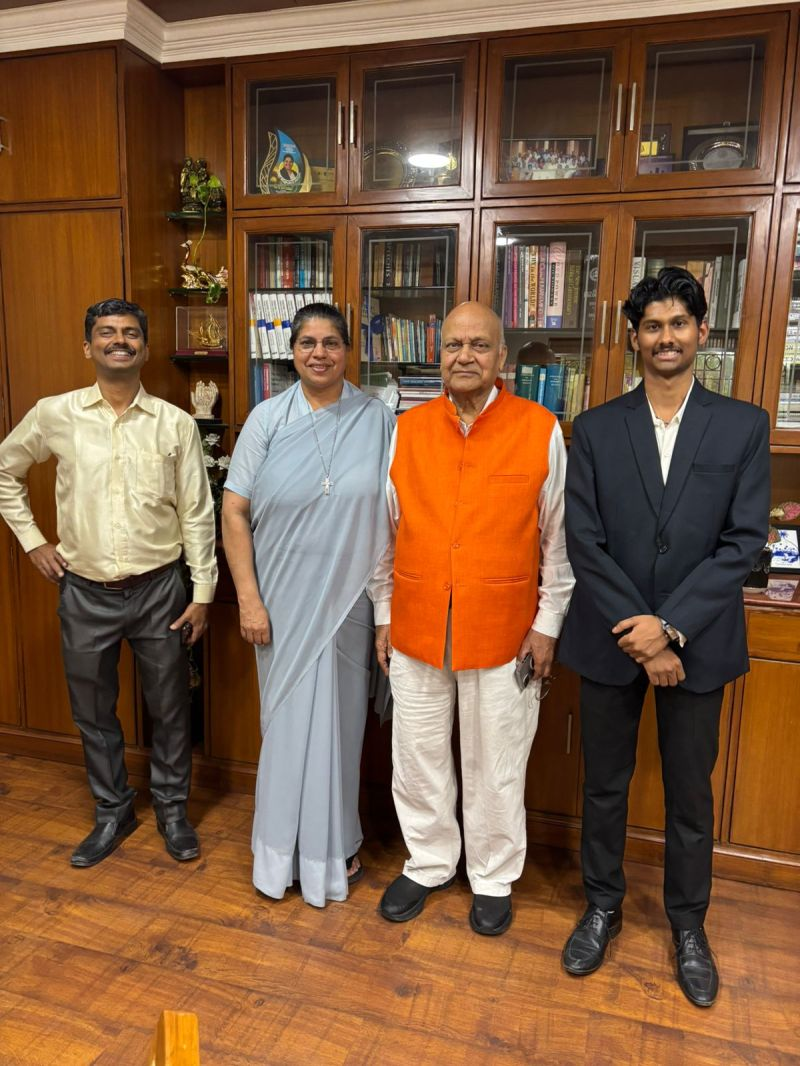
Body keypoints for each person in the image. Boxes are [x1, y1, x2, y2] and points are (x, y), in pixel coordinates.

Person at [559, 266, 771, 1007]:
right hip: (610, 642)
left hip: (699, 643)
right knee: (605, 788)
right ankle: (602, 906)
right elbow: (584, 541)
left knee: (688, 796)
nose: (666, 337)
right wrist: (642, 636)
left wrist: (671, 627)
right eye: (652, 325)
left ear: (703, 333)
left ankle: (688, 925)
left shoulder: (743, 425)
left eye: (679, 324)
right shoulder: (594, 427)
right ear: (633, 337)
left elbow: (744, 544)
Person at [376, 301, 574, 936]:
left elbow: (557, 542)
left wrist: (548, 624)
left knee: (498, 760)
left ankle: (492, 874)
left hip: (505, 629)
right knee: (418, 754)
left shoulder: (538, 426)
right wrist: (383, 611)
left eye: (479, 346)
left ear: (502, 359)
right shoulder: (404, 428)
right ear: (440, 354)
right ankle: (430, 861)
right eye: (454, 344)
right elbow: (385, 531)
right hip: (416, 622)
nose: (465, 356)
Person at [0, 298, 217, 867]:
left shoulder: (175, 422)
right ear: (88, 346)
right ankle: (112, 811)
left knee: (171, 708)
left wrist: (201, 595)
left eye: (129, 334)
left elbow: (197, 513)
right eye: (106, 333)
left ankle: (172, 811)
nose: (118, 341)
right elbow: (5, 471)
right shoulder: (55, 414)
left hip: (160, 591)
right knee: (93, 712)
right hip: (85, 592)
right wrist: (34, 541)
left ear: (144, 347)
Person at [221, 303, 394, 908]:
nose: (318, 353)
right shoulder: (266, 419)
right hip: (280, 603)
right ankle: (279, 851)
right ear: (290, 352)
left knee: (342, 729)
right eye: (306, 343)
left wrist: (386, 611)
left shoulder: (379, 418)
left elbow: (393, 520)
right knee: (289, 724)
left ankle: (333, 845)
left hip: (350, 602)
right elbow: (234, 511)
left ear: (349, 350)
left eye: (331, 343)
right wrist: (248, 600)